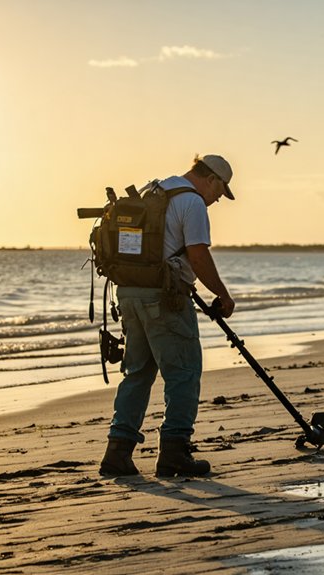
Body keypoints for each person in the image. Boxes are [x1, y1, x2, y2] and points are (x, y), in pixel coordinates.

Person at [99, 154, 237, 478]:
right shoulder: (192, 202)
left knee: (137, 372)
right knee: (183, 373)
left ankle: (117, 453)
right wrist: (223, 295)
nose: (218, 199)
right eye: (220, 191)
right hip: (165, 298)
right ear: (211, 179)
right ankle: (174, 452)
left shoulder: (155, 190)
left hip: (128, 293)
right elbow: (198, 255)